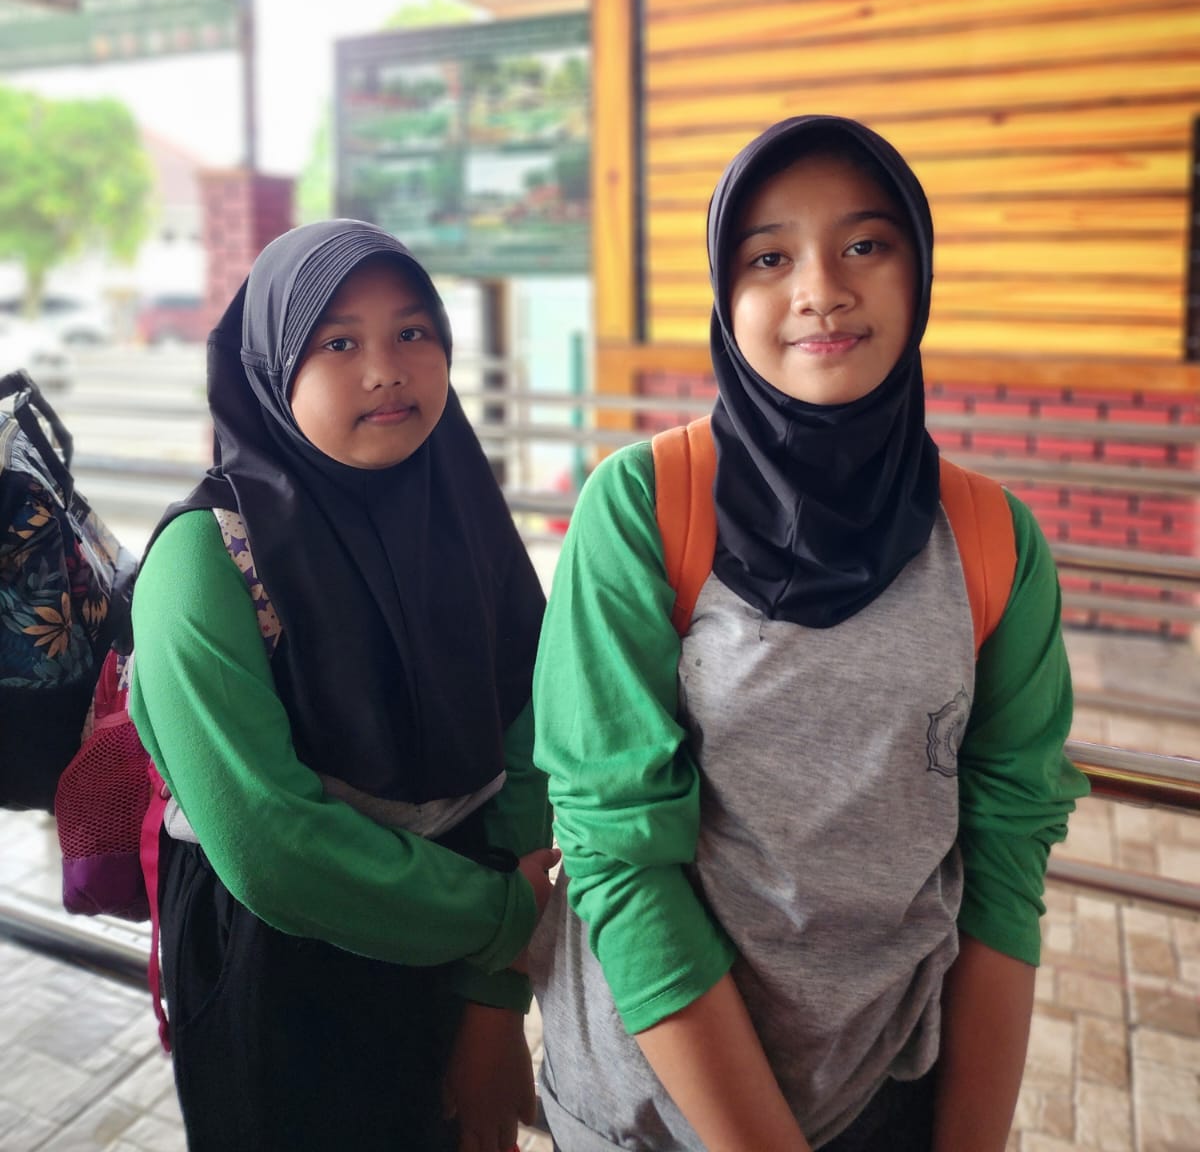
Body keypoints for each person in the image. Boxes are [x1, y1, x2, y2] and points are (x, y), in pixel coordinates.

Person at [530, 116, 1087, 1152]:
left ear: (920, 273)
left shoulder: (991, 541)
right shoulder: (643, 510)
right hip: (647, 1112)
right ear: (723, 290)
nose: (821, 290)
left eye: (865, 244)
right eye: (769, 257)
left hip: (885, 1092)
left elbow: (1005, 865)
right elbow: (618, 855)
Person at [129, 219, 558, 1152]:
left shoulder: (462, 516)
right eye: (337, 343)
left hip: (461, 943)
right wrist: (501, 919)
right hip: (283, 976)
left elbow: (531, 745)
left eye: (413, 331)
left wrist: (492, 1000)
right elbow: (269, 846)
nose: (386, 370)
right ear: (271, 369)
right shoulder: (205, 561)